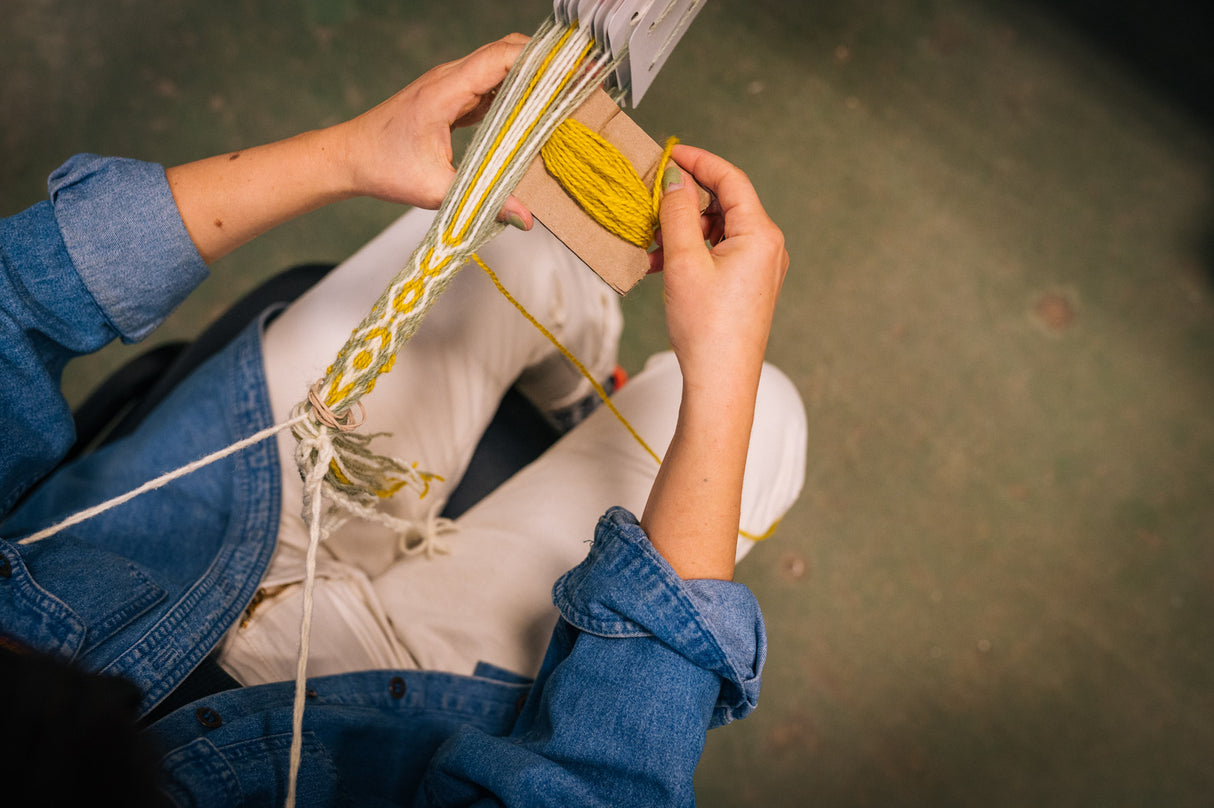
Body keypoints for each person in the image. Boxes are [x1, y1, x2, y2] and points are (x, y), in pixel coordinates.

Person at [0, 33, 806, 807]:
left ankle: (570, 396)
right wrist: (723, 380)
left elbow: (14, 301)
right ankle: (601, 414)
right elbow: (607, 787)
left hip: (181, 530)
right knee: (764, 410)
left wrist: (346, 152)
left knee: (528, 238)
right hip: (398, 718)